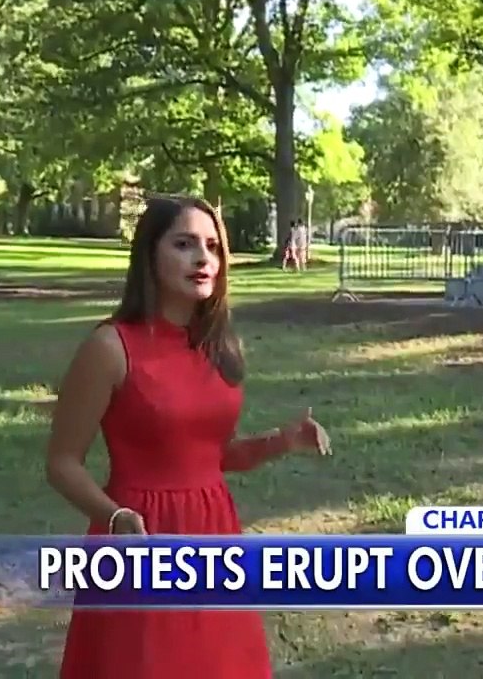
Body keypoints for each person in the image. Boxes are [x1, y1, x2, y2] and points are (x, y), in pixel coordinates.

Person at [46, 196, 332, 679]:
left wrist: (282, 441)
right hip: (139, 535)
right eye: (184, 244)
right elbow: (61, 463)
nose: (203, 259)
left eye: (213, 247)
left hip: (213, 531)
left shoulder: (218, 346)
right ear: (149, 255)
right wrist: (113, 517)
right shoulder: (110, 347)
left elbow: (209, 455)